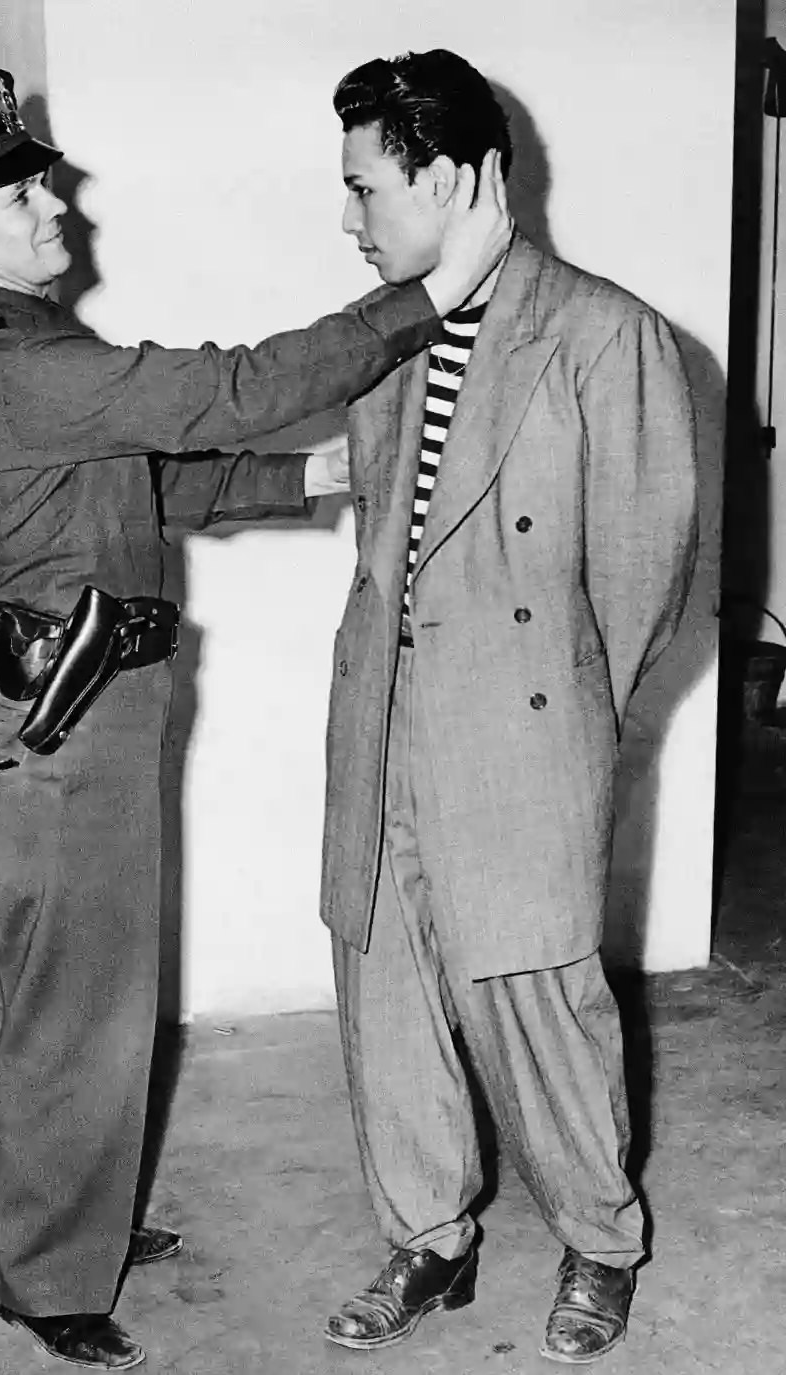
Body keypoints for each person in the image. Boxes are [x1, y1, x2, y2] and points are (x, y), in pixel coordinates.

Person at [0, 67, 510, 1371]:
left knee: (105, 995)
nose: (54, 206)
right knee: (76, 1009)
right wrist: (425, 298)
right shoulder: (21, 366)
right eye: (21, 193)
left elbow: (147, 487)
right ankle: (50, 1281)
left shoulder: (27, 361)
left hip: (89, 709)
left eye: (38, 181)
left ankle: (77, 1222)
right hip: (66, 732)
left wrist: (307, 475)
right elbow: (230, 387)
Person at [318, 49, 697, 1365]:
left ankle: (600, 1239)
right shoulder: (383, 338)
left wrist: (559, 732)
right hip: (380, 711)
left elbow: (640, 579)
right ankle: (431, 1236)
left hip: (519, 724)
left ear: (455, 177)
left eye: (369, 189)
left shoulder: (606, 335)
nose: (352, 220)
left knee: (538, 1001)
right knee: (384, 988)